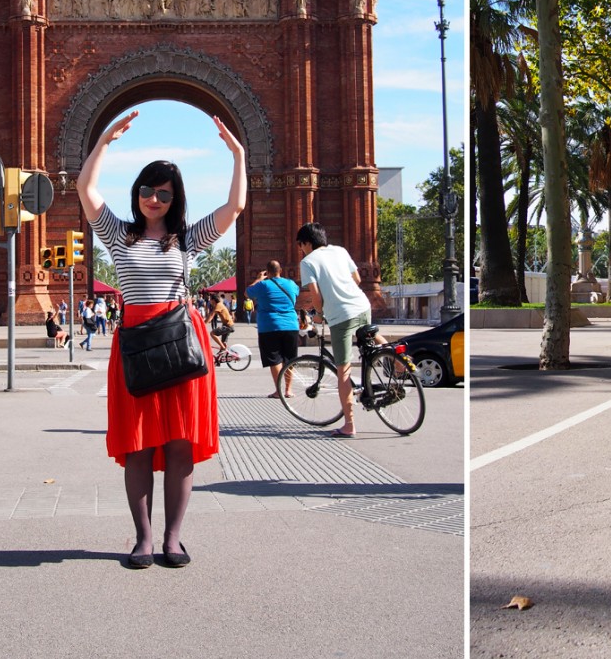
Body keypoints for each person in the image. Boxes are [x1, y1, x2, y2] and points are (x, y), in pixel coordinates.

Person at [77, 108, 245, 569]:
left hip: (179, 341)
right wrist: (105, 141)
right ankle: (143, 539)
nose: (154, 199)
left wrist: (239, 154)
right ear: (137, 194)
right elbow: (85, 190)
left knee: (178, 445)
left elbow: (234, 209)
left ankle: (174, 538)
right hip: (135, 343)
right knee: (138, 445)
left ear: (175, 199)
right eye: (148, 190)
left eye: (164, 193)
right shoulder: (118, 235)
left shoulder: (187, 241)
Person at [296, 222, 387, 438]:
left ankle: (349, 424)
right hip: (362, 305)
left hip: (340, 316)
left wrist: (319, 313)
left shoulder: (308, 261)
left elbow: (316, 295)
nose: (301, 249)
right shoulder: (340, 250)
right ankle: (397, 362)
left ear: (307, 243)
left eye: (301, 245)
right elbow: (356, 279)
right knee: (370, 334)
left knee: (342, 370)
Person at [246, 261, 301, 398]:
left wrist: (259, 278)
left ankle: (279, 391)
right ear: (280, 270)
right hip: (291, 325)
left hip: (269, 326)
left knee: (274, 359)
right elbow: (297, 294)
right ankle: (289, 389)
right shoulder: (291, 284)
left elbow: (247, 293)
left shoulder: (263, 285)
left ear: (267, 272)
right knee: (289, 358)